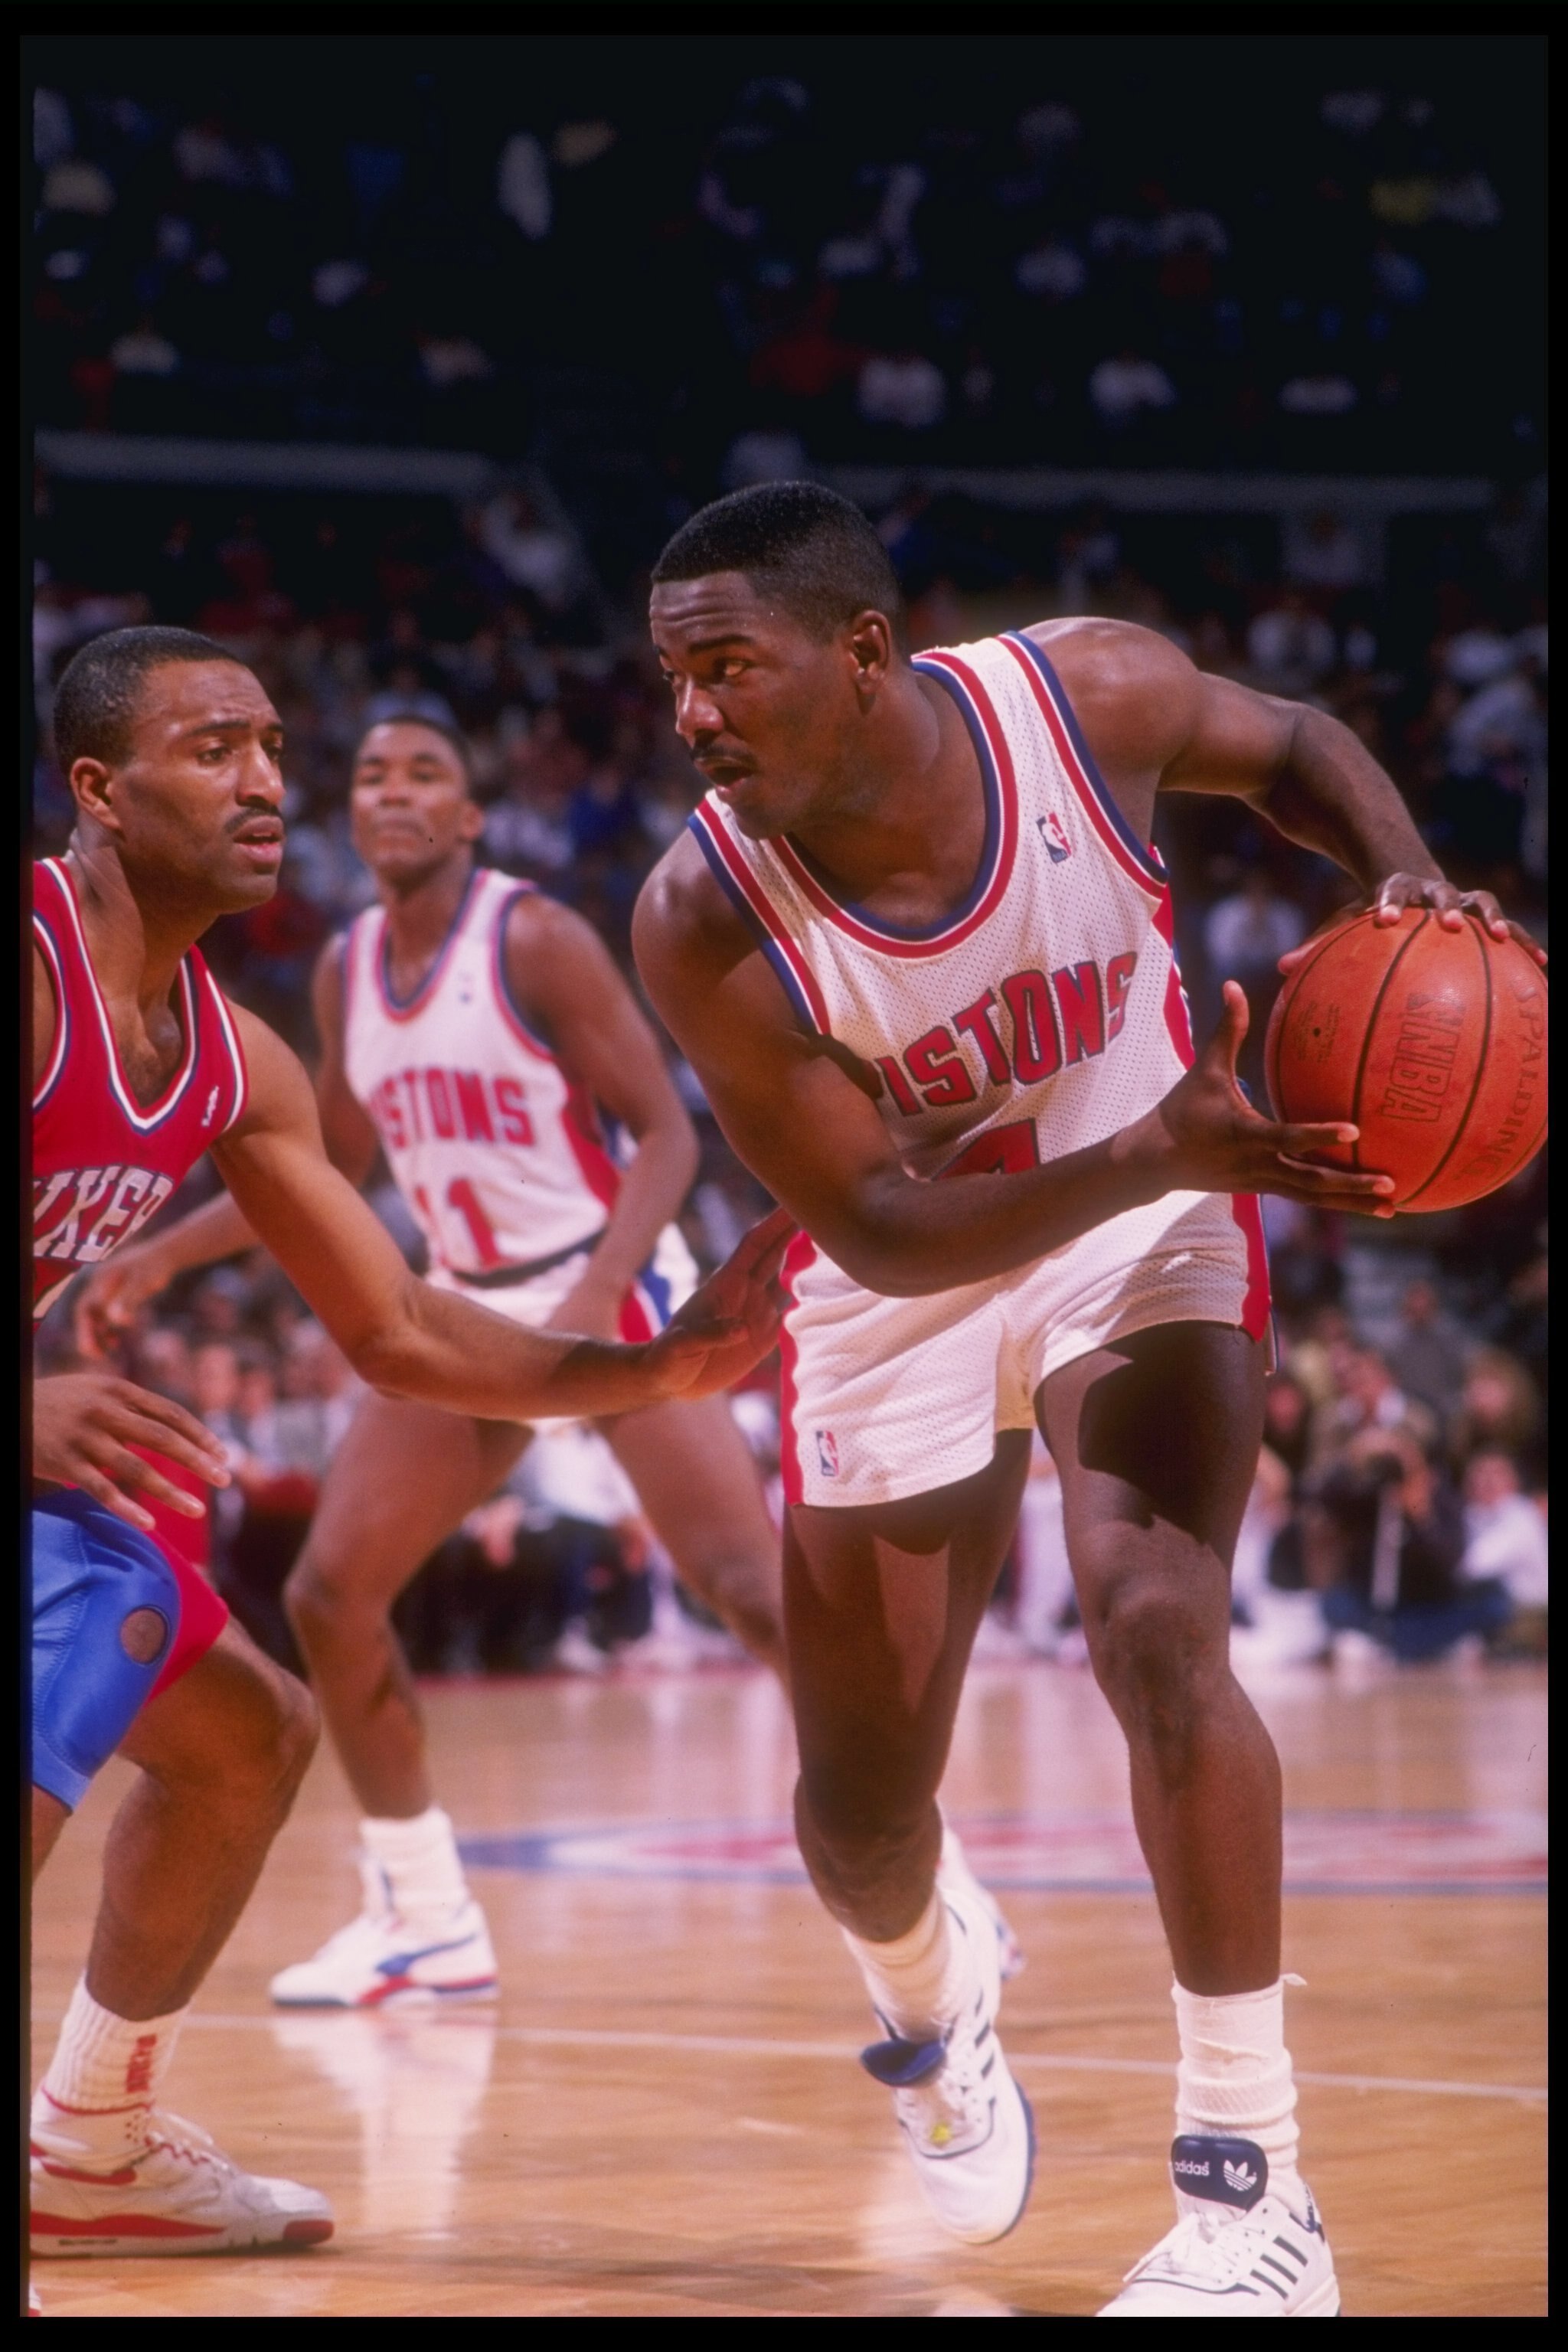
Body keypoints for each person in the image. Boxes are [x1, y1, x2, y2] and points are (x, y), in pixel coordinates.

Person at [631, 482, 1544, 2314]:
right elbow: (883, 1227)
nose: (694, 717)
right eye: (675, 682)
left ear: (867, 653)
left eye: (730, 668)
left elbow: (1290, 746)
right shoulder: (699, 916)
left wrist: (1397, 881)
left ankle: (1249, 2192)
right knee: (859, 1815)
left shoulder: (1088, 700)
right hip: (922, 1272)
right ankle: (931, 2001)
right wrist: (1148, 1145)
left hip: (1149, 1227)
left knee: (1153, 1627)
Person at [31, 626, 789, 2263]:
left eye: (268, 746)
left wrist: (651, 1377)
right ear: (96, 791)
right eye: (212, 749)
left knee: (244, 1736)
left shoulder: (235, 1053)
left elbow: (404, 1333)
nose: (266, 783)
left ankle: (91, 2141)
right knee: (118, 1612)